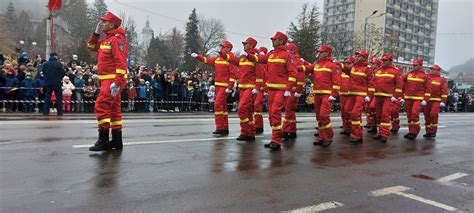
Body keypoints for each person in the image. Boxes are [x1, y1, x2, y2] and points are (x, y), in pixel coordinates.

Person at [247, 32, 297, 151]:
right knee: (271, 114)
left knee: (275, 112)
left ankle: (276, 140)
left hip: (281, 90)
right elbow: (259, 59)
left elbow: (293, 73)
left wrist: (288, 88)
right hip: (271, 90)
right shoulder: (271, 54)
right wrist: (249, 55)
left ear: (281, 41)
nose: (272, 41)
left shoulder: (287, 55)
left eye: (275, 39)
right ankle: (275, 138)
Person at [87, 11, 128, 151]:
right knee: (114, 110)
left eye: (104, 21)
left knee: (101, 105)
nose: (102, 23)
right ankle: (117, 141)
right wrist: (96, 33)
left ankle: (103, 139)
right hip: (108, 80)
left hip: (111, 79)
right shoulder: (107, 40)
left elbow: (121, 63)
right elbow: (91, 46)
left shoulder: (117, 40)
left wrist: (117, 82)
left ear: (112, 24)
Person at [191, 40, 236, 136]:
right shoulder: (218, 58)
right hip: (218, 86)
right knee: (222, 108)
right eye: (221, 46)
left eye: (223, 46)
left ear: (228, 48)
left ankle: (220, 127)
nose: (220, 48)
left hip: (224, 87)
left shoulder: (231, 58)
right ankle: (224, 128)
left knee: (218, 105)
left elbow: (233, 74)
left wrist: (230, 87)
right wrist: (198, 57)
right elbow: (207, 60)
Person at [299, 44, 339, 147]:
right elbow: (307, 68)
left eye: (321, 52)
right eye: (319, 52)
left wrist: (333, 94)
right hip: (317, 94)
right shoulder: (317, 64)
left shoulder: (332, 65)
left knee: (324, 116)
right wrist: (295, 65)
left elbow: (336, 81)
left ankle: (328, 137)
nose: (319, 54)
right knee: (319, 117)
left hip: (327, 94)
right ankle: (322, 137)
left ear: (327, 53)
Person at [226, 37, 259, 141]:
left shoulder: (255, 57)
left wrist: (257, 87)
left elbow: (260, 73)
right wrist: (223, 54)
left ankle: (245, 132)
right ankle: (250, 133)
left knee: (241, 109)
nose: (244, 45)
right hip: (242, 87)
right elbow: (233, 60)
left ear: (251, 45)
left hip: (250, 88)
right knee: (248, 111)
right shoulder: (242, 57)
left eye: (246, 43)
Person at [372, 53, 403, 143]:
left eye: (385, 60)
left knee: (385, 115)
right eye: (382, 60)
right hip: (378, 96)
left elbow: (399, 85)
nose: (383, 62)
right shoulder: (378, 71)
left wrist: (395, 96)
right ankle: (380, 132)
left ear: (390, 61)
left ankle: (384, 134)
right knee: (378, 116)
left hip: (388, 97)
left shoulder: (395, 71)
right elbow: (373, 82)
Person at [344, 50, 373, 144]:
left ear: (364, 58)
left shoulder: (367, 69)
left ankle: (357, 136)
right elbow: (346, 70)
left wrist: (369, 95)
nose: (356, 57)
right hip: (351, 93)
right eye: (356, 56)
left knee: (355, 113)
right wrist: (338, 65)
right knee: (347, 111)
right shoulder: (353, 67)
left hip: (361, 94)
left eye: (359, 56)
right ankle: (357, 133)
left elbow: (371, 83)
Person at [402, 58, 431, 140]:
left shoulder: (425, 76)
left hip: (418, 98)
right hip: (408, 98)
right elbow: (400, 79)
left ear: (421, 65)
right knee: (409, 116)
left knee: (414, 114)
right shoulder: (409, 74)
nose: (413, 66)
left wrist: (426, 99)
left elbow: (428, 89)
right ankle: (411, 131)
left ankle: (415, 131)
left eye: (415, 65)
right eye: (413, 65)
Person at [282, 43, 307, 139]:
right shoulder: (290, 59)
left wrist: (299, 90)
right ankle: (292, 131)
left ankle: (286, 130)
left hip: (294, 90)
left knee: (289, 110)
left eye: (287, 49)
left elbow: (300, 76)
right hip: (289, 89)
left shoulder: (296, 61)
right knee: (290, 111)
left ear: (292, 51)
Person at [423, 64, 448, 138]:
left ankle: (433, 131)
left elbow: (444, 91)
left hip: (436, 100)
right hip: (427, 100)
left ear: (438, 71)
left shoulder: (442, 80)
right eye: (431, 69)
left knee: (433, 114)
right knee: (427, 116)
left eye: (433, 69)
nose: (432, 70)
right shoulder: (426, 77)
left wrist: (443, 101)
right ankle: (428, 131)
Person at [42, 52, 66, 116]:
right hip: (57, 83)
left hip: (48, 83)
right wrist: (59, 77)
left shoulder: (45, 64)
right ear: (55, 56)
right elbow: (63, 73)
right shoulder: (59, 64)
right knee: (59, 99)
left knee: (47, 98)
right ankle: (59, 112)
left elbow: (43, 72)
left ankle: (45, 112)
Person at [253, 46, 268, 135]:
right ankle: (257, 125)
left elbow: (267, 77)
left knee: (257, 105)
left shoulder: (266, 64)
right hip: (256, 87)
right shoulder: (258, 63)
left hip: (262, 89)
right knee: (255, 107)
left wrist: (265, 89)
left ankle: (258, 126)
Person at [339, 57, 355, 136]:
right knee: (343, 112)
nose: (347, 65)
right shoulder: (342, 72)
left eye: (349, 63)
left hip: (350, 95)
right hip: (342, 95)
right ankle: (346, 128)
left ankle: (352, 127)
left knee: (349, 112)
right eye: (346, 63)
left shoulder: (353, 72)